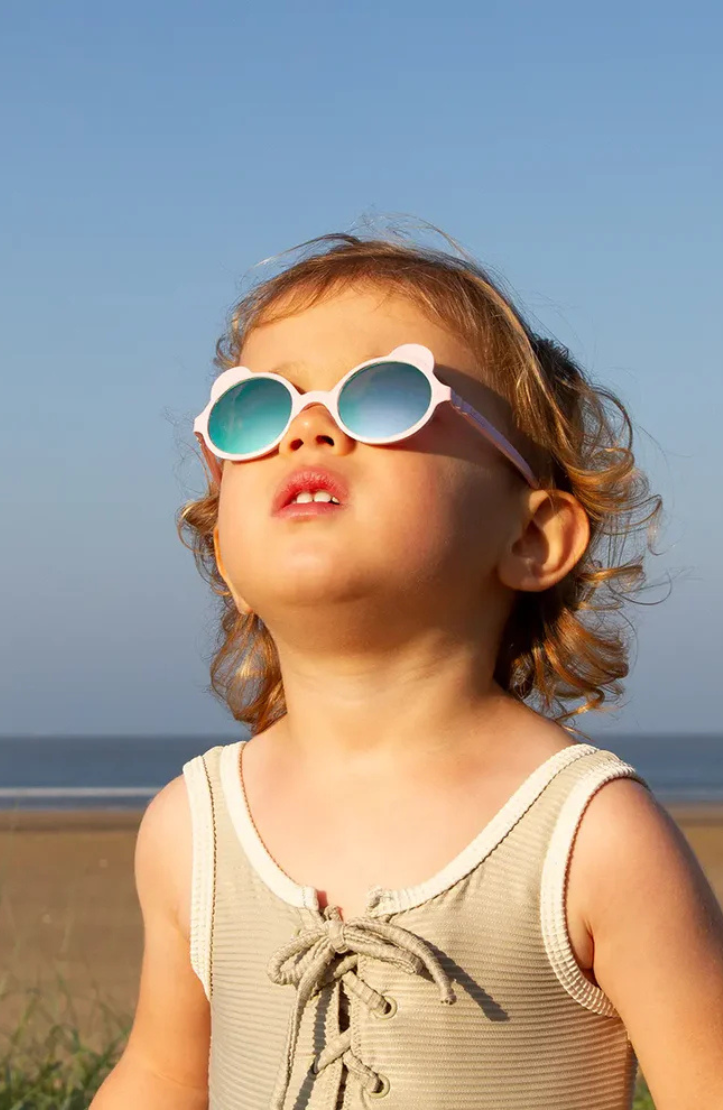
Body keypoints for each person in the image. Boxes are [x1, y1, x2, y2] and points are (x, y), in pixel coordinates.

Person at [90, 229, 723, 1110]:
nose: (308, 426)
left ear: (532, 537)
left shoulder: (587, 840)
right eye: (255, 410)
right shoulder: (191, 831)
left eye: (384, 395)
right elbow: (161, 1077)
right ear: (226, 556)